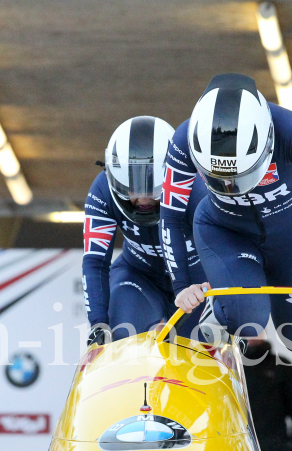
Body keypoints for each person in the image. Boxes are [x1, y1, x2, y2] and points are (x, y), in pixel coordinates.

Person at [160, 73, 292, 399]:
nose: (232, 187)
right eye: (220, 178)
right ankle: (219, 314)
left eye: (241, 175)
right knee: (248, 320)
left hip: (291, 238)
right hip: (225, 231)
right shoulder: (182, 141)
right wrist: (181, 286)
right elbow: (171, 217)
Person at [82, 116, 210, 345]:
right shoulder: (102, 191)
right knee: (121, 335)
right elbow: (95, 261)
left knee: (198, 350)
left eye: (154, 190)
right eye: (132, 189)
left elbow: (226, 248)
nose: (143, 200)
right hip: (139, 275)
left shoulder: (198, 189)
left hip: (196, 283)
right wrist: (98, 324)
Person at [241, 337, 292, 451]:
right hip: (233, 448)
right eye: (247, 329)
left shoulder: (281, 365)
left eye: (257, 329)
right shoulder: (228, 364)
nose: (252, 335)